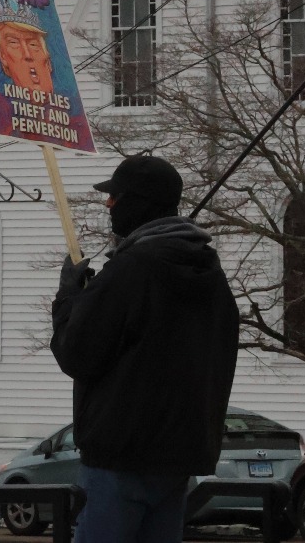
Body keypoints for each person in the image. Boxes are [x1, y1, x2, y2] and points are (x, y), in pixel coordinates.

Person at [50, 154, 239, 543]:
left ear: (135, 203)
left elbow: (77, 353)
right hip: (180, 457)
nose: (107, 206)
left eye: (114, 197)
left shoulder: (131, 270)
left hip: (121, 457)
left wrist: (70, 299)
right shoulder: (212, 275)